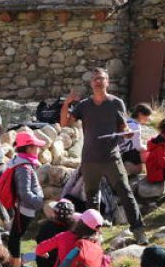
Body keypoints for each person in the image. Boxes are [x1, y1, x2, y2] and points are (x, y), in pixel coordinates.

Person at [60, 68, 147, 245]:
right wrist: (67, 102)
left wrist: (128, 133)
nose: (98, 82)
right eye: (95, 79)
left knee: (125, 193)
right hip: (90, 159)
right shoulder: (83, 105)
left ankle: (139, 231)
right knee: (92, 198)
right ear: (91, 83)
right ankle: (94, 235)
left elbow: (123, 128)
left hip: (112, 157)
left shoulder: (116, 103)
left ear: (107, 81)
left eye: (101, 78)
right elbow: (64, 123)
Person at [7, 130, 48, 267]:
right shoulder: (24, 168)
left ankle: (14, 262)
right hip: (25, 207)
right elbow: (24, 192)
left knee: (15, 235)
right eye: (36, 146)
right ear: (29, 148)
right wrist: (38, 202)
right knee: (16, 237)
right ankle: (15, 266)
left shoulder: (25, 164)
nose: (38, 149)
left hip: (25, 207)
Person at [34, 199, 77, 267]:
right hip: (69, 266)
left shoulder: (46, 227)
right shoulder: (75, 229)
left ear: (54, 213)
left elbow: (39, 243)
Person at [120, 103, 154, 169]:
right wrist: (149, 148)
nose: (148, 118)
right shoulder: (136, 126)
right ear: (140, 114)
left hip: (119, 150)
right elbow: (138, 147)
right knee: (148, 153)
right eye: (147, 116)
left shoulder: (127, 120)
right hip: (124, 153)